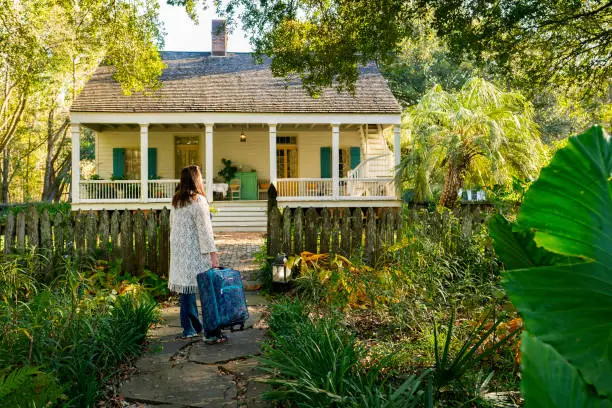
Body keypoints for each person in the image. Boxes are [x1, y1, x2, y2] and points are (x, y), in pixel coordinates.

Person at [168, 165, 227, 344]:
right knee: (207, 292)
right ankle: (212, 333)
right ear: (196, 179)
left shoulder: (176, 201)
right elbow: (205, 231)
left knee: (186, 291)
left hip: (179, 252)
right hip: (196, 252)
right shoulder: (198, 200)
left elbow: (172, 227)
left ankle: (190, 329)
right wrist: (213, 256)